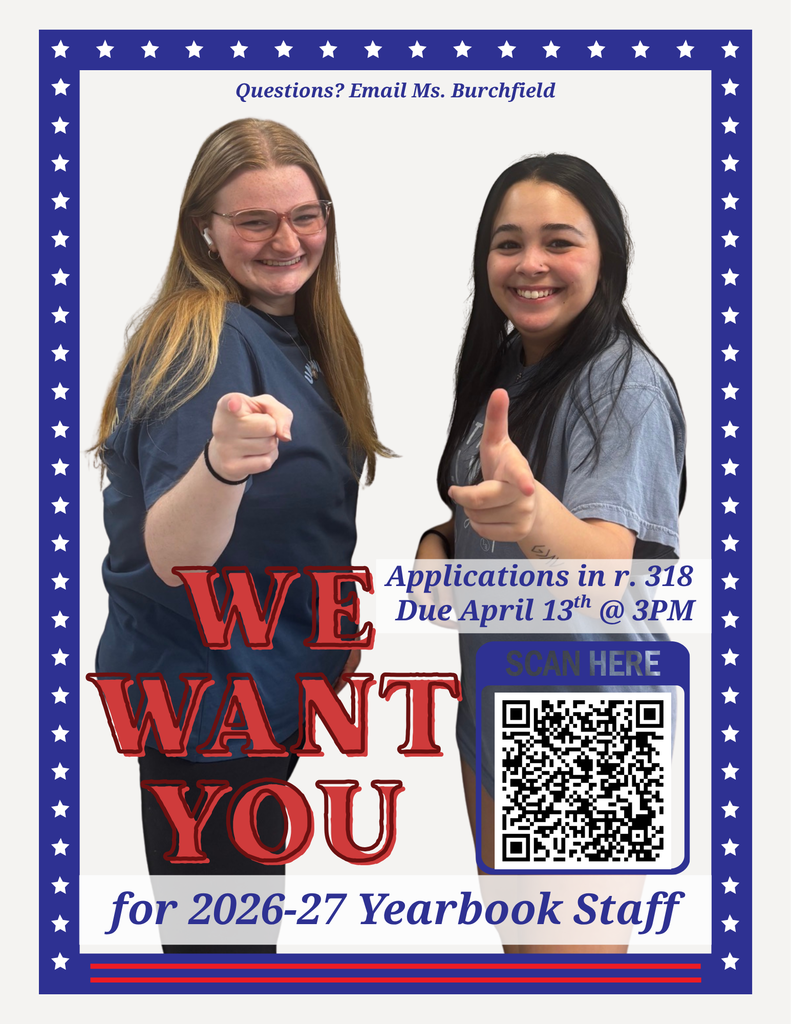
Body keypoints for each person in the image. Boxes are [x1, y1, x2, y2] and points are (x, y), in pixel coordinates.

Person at [93, 118, 389, 953]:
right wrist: (221, 466)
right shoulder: (205, 338)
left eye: (304, 215)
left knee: (237, 945)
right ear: (204, 230)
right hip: (206, 708)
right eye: (254, 221)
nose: (286, 241)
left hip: (262, 697)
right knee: (221, 963)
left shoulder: (301, 333)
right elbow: (174, 555)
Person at [417, 155, 685, 953]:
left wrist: (531, 514)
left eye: (558, 242)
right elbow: (477, 513)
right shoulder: (510, 367)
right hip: (495, 708)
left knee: (569, 989)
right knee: (528, 977)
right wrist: (438, 544)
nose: (529, 263)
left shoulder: (622, 384)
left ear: (606, 255)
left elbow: (603, 568)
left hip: (583, 722)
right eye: (507, 244)